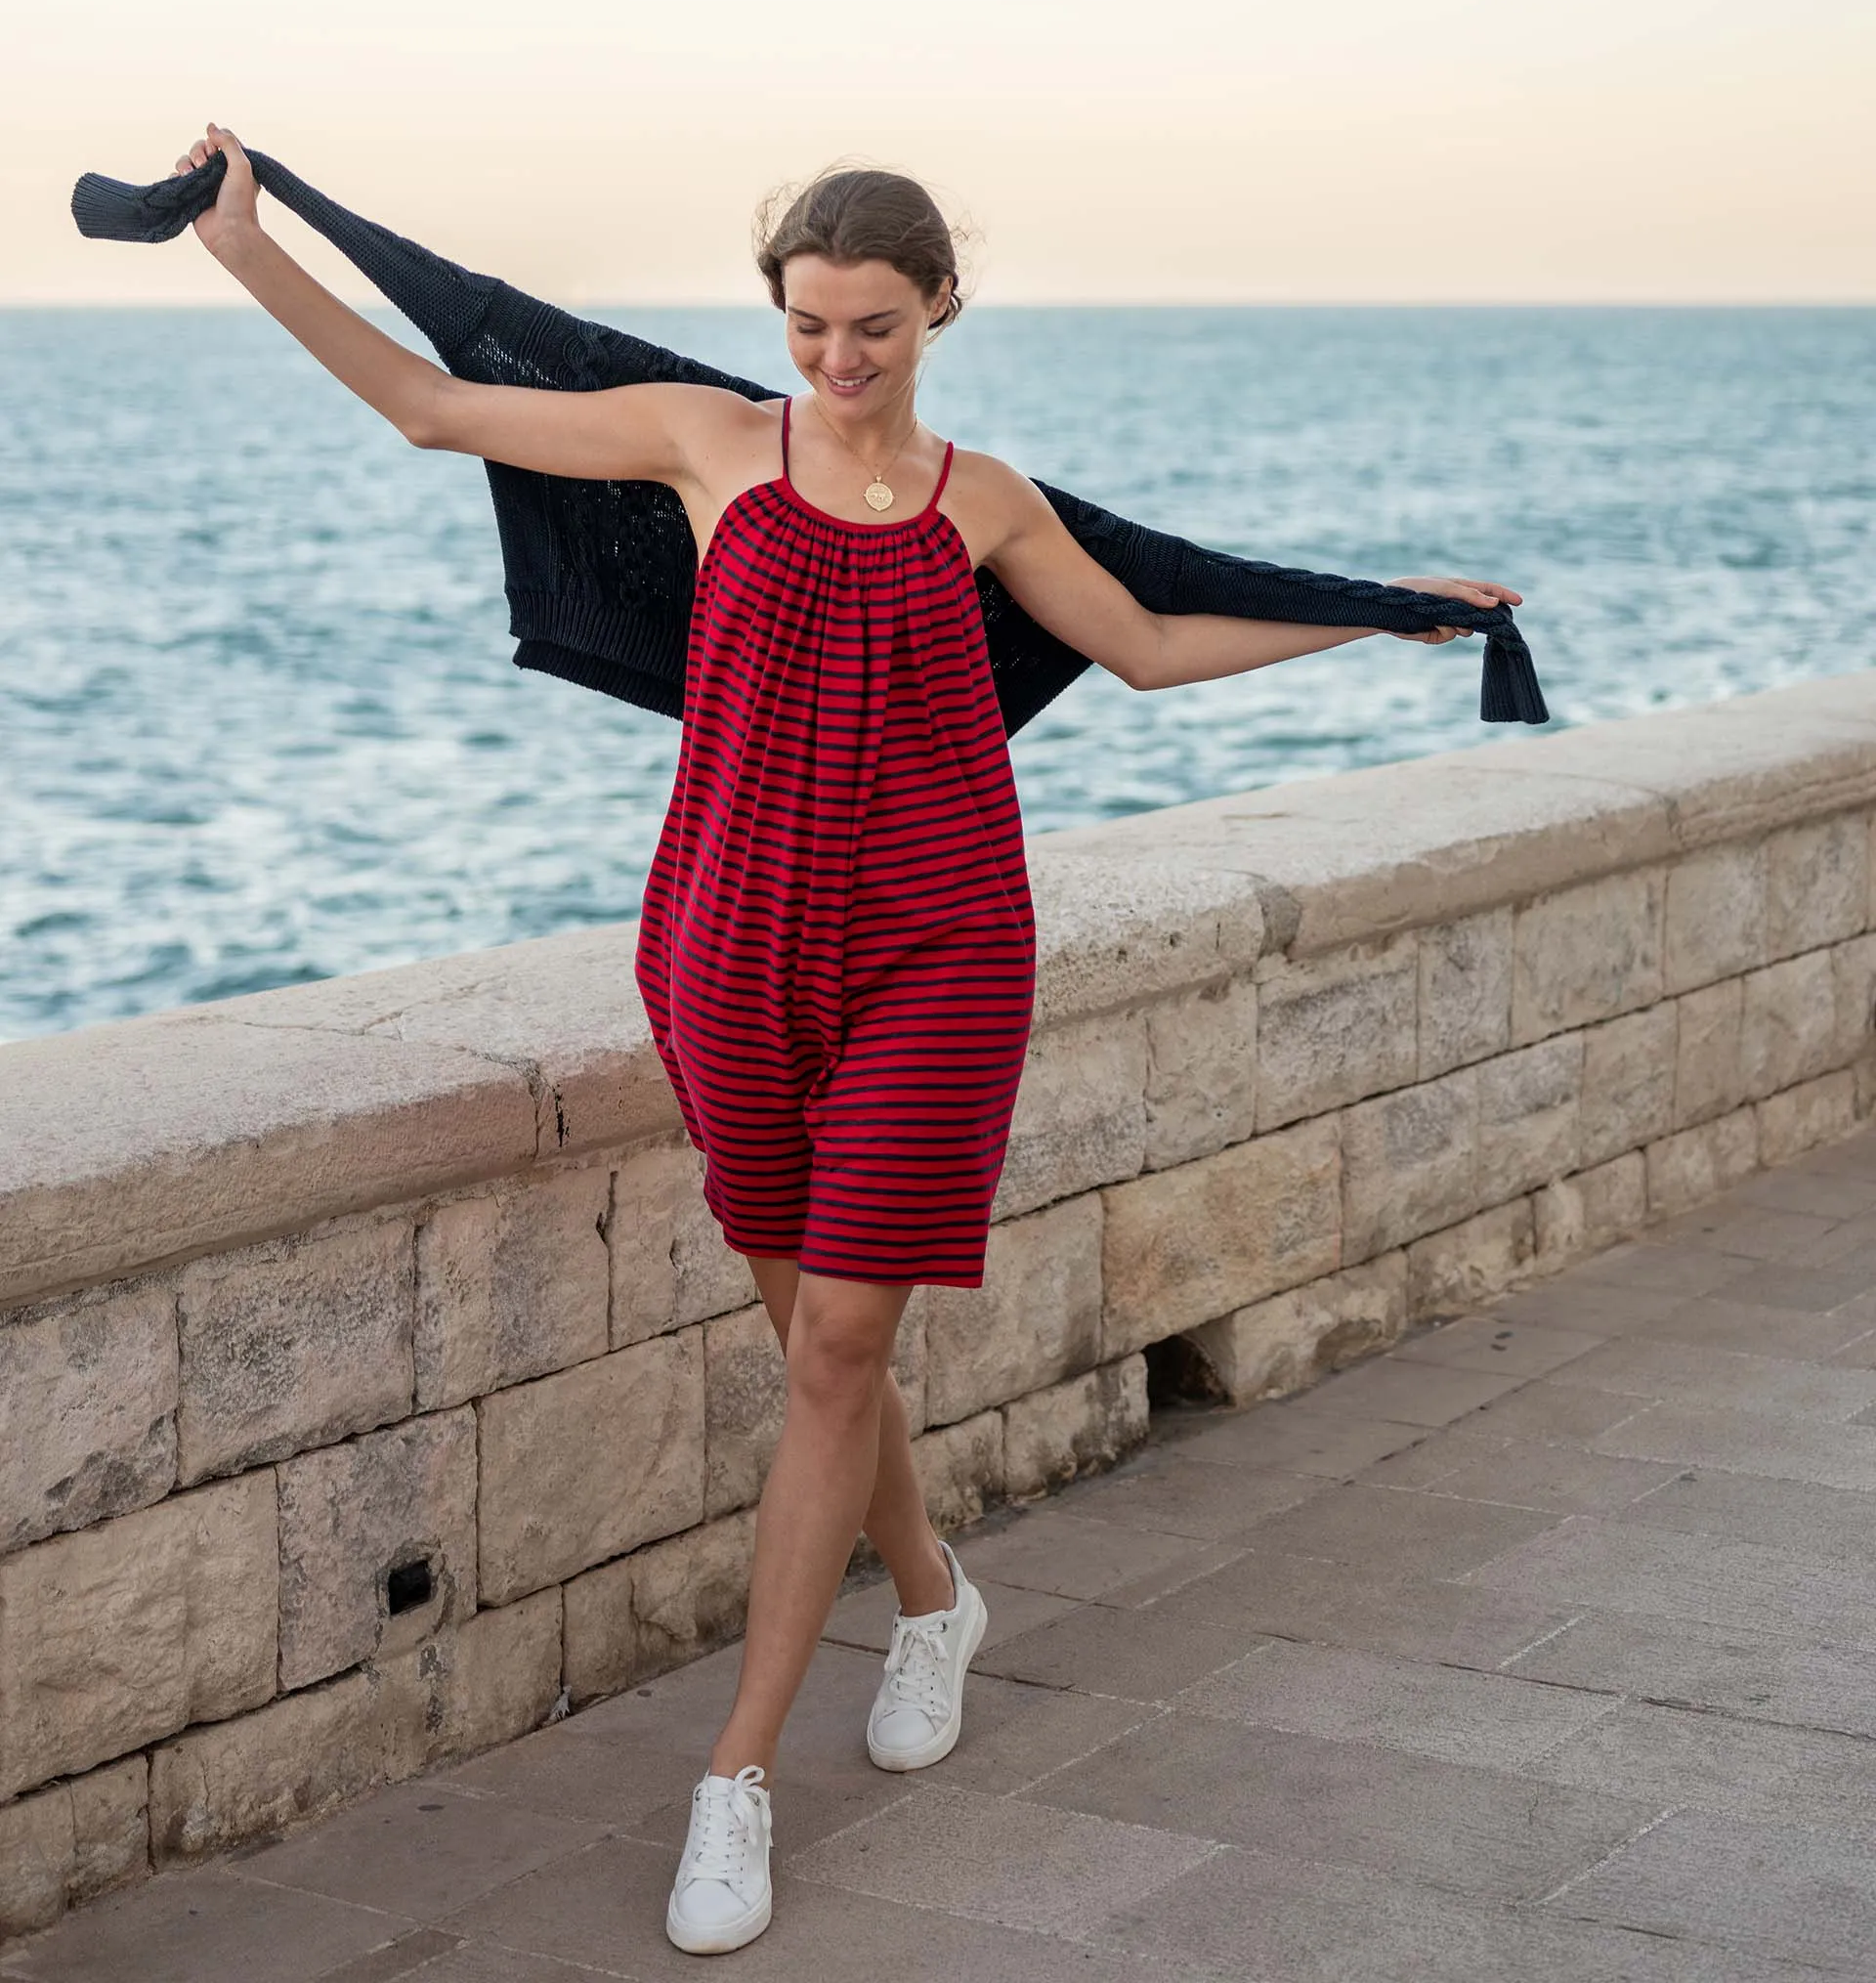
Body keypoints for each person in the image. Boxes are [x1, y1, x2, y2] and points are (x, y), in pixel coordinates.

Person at [168, 123, 1520, 1957]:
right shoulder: (709, 441)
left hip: (942, 953)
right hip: (728, 945)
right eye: (808, 326)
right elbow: (428, 404)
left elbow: (1141, 641)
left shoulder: (990, 503)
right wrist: (247, 246)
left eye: (873, 327)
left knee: (836, 1353)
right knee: (819, 1341)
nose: (837, 361)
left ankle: (736, 1782)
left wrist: (1381, 619)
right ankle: (936, 1595)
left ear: (941, 307)